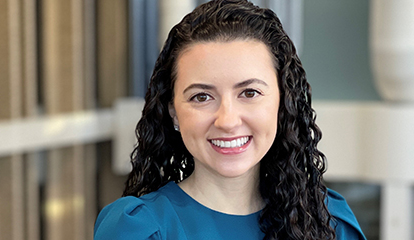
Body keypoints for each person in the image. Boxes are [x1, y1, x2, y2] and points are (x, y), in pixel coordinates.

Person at [94, 0, 365, 239]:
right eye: (201, 97)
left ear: (283, 104)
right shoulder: (139, 230)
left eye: (249, 92)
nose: (227, 120)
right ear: (173, 111)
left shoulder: (330, 224)